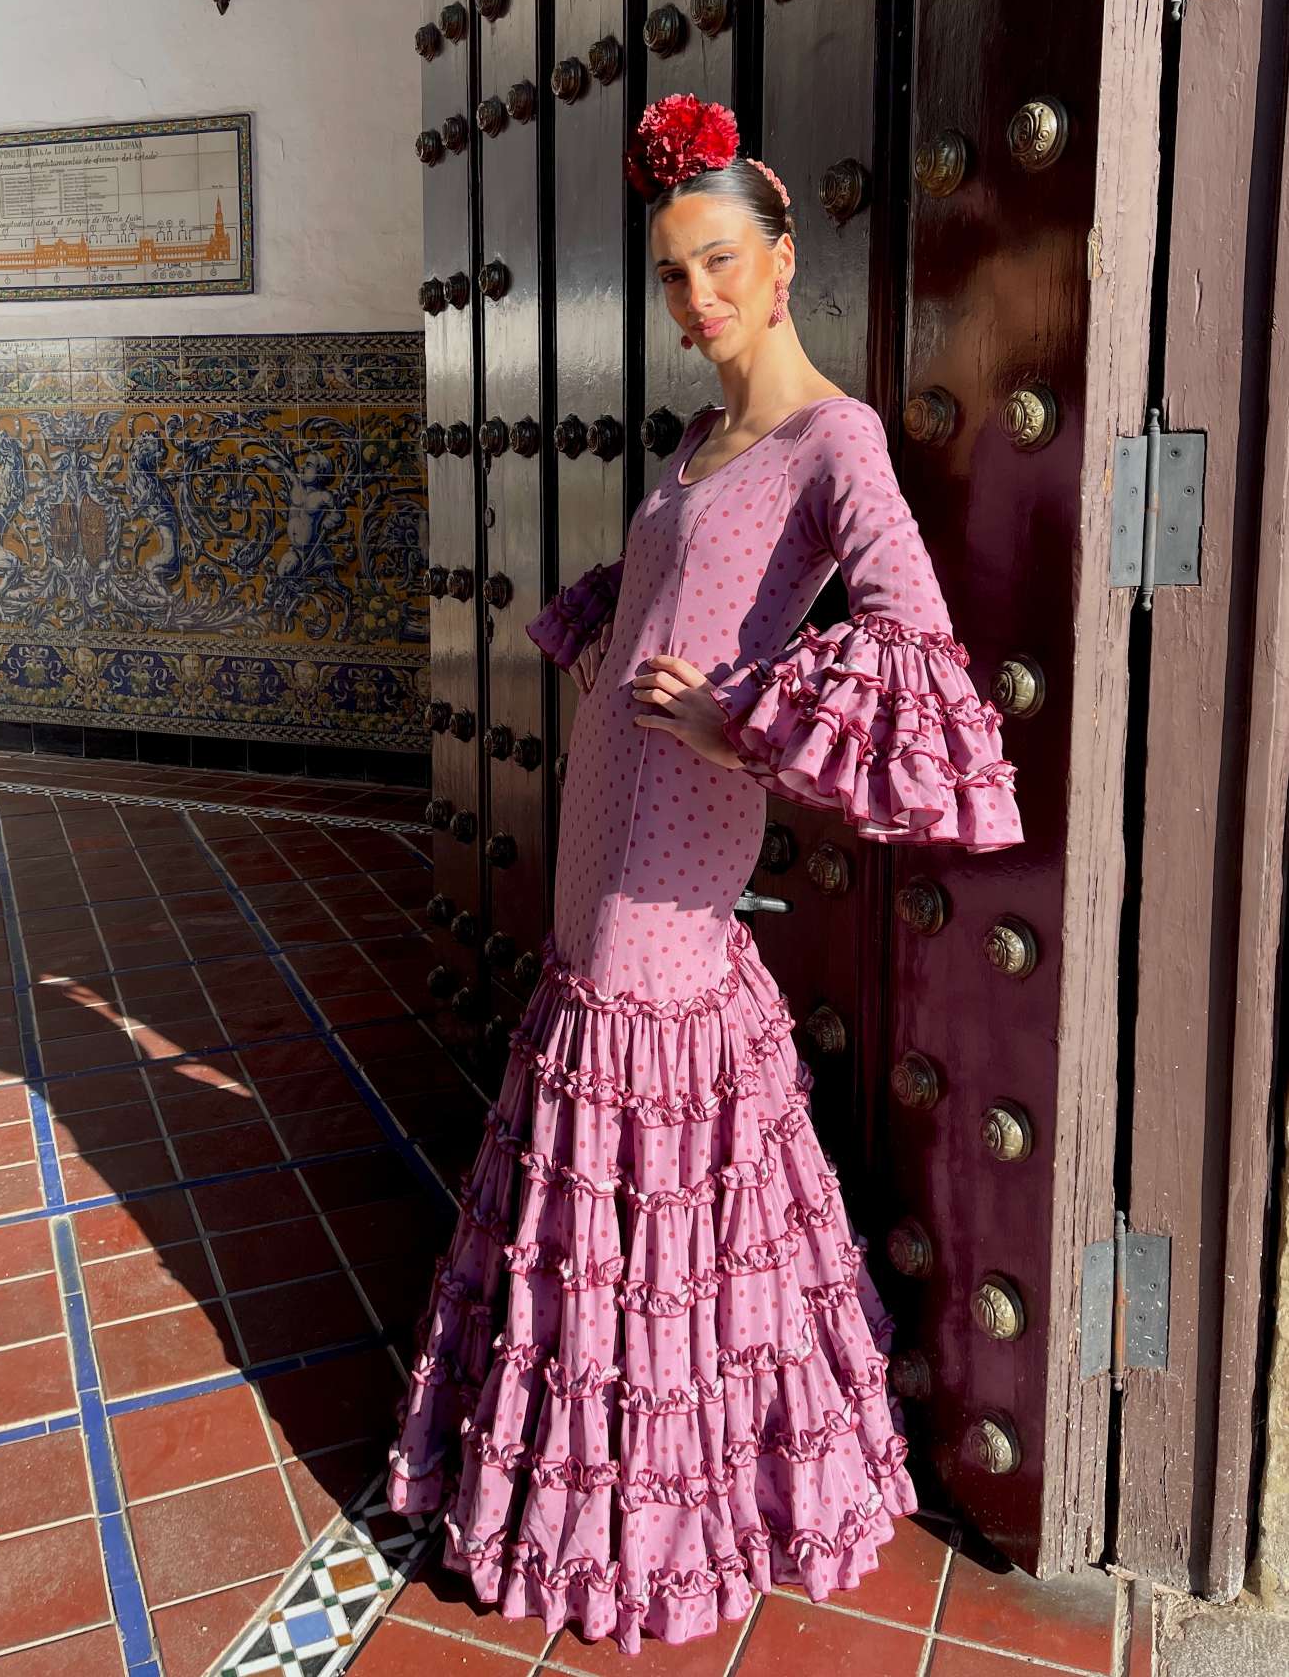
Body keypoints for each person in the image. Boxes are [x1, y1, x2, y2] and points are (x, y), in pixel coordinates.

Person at [387, 93, 1024, 1656]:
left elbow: (913, 642)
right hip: (609, 798)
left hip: (685, 818)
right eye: (674, 274)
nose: (699, 299)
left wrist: (748, 725)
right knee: (610, 1091)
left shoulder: (834, 437)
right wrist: (623, 635)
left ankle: (655, 1501)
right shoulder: (695, 437)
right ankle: (586, 1456)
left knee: (646, 1104)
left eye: (721, 262)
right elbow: (678, 593)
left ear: (785, 252)